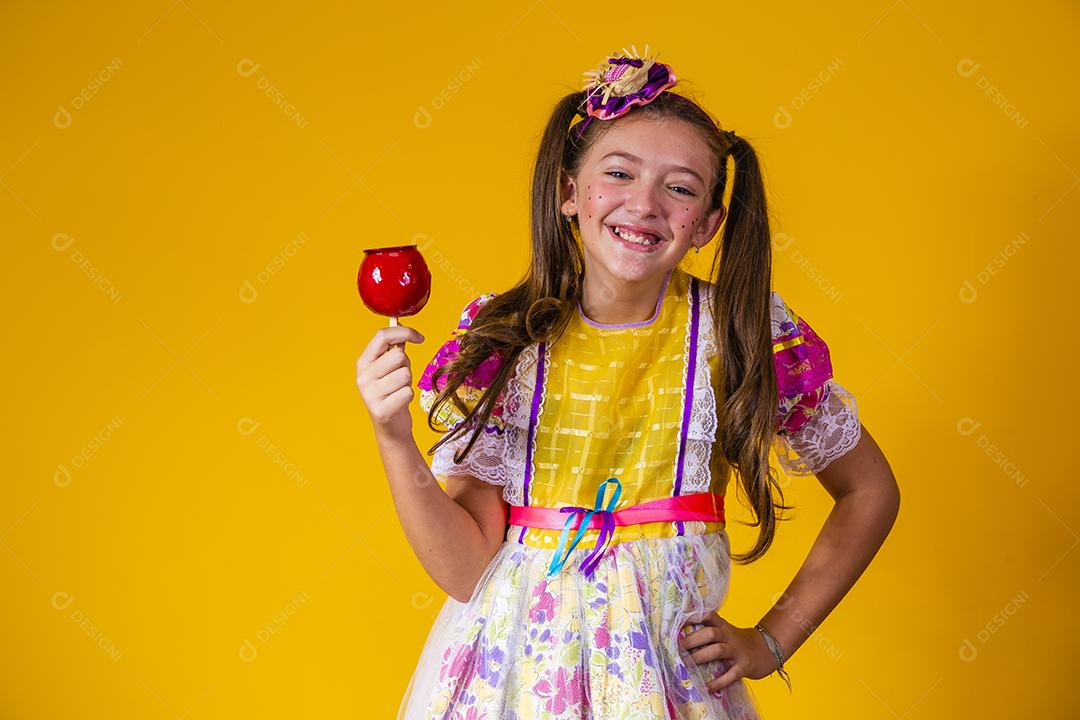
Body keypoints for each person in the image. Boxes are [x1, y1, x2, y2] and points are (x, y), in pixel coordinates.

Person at [356, 45, 900, 719]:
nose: (643, 205)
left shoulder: (743, 332)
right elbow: (466, 570)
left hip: (668, 689)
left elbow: (868, 490)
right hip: (512, 687)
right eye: (619, 173)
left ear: (705, 224)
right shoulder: (506, 338)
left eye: (680, 188)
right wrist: (393, 437)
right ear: (568, 193)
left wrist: (772, 639)